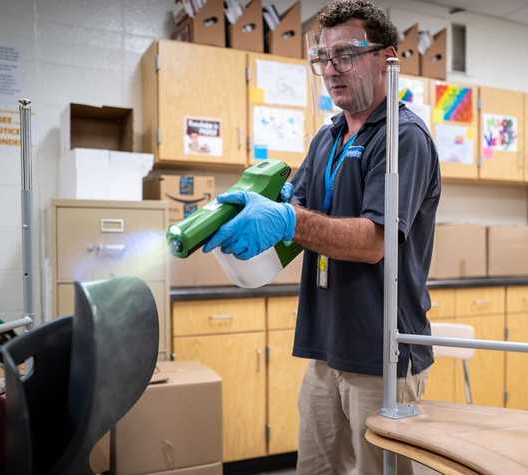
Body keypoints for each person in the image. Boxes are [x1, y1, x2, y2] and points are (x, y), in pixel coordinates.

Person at [203, 1, 441, 473]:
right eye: (323, 58)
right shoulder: (326, 138)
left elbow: (374, 242)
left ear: (387, 58)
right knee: (315, 468)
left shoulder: (403, 137)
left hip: (382, 352)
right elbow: (301, 212)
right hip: (326, 348)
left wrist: (289, 221)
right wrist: (245, 220)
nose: (331, 69)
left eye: (346, 55)